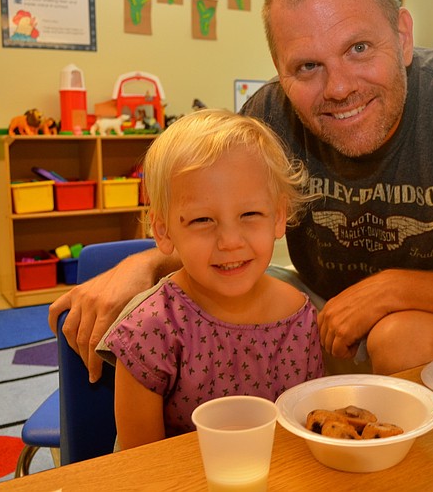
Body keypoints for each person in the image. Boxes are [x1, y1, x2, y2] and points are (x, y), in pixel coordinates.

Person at [50, 0, 433, 379]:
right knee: (192, 307)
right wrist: (145, 266)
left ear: (402, 36)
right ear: (279, 70)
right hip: (335, 308)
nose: (338, 88)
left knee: (399, 337)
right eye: (307, 66)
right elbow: (220, 227)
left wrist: (397, 288)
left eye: (359, 48)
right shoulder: (268, 117)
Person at [95, 110, 324, 449]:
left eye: (250, 214)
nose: (230, 241)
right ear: (163, 231)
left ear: (278, 216)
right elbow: (140, 465)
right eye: (202, 220)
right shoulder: (149, 329)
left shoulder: (301, 318)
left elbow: (307, 435)